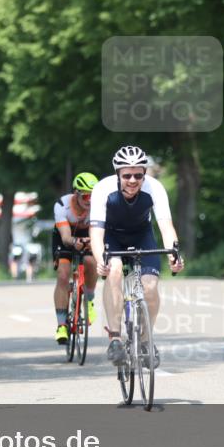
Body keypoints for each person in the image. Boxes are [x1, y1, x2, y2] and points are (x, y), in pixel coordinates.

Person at [90, 146, 184, 367]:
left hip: (142, 236)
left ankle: (145, 340)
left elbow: (166, 227)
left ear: (144, 174)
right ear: (117, 174)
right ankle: (114, 337)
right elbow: (96, 233)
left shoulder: (155, 188)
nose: (133, 180)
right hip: (111, 237)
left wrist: (174, 255)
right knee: (113, 270)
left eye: (138, 175)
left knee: (150, 286)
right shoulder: (103, 189)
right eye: (127, 175)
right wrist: (99, 260)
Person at [52, 172, 100, 345]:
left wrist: (92, 242)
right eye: (86, 195)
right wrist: (74, 242)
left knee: (91, 262)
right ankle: (61, 325)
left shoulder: (98, 206)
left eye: (93, 195)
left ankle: (89, 300)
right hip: (65, 237)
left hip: (87, 235)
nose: (89, 200)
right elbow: (65, 238)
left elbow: (101, 233)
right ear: (76, 193)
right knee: (63, 275)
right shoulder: (62, 205)